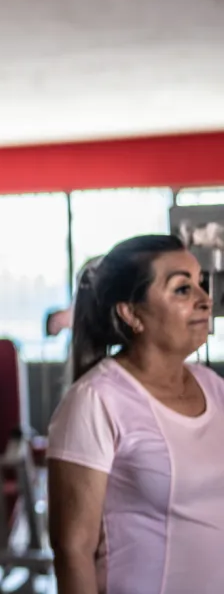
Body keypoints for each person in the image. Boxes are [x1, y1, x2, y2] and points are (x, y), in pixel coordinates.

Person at [48, 235, 224, 594]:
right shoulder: (96, 401)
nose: (205, 300)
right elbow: (73, 551)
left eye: (201, 285)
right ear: (131, 313)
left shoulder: (213, 387)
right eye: (181, 289)